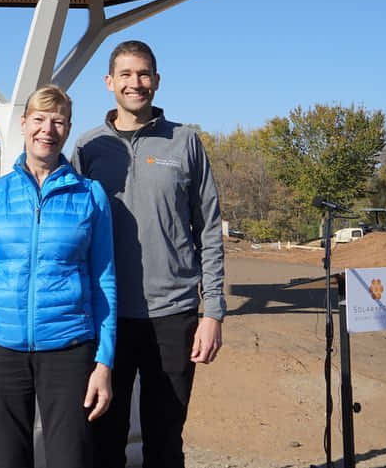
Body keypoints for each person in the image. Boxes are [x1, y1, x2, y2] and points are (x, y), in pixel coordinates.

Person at [72, 40, 224, 468]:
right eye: (125, 75)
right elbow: (73, 235)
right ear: (109, 82)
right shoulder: (88, 148)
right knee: (104, 440)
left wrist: (212, 311)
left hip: (173, 316)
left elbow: (209, 230)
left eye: (143, 74)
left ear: (156, 81)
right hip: (107, 319)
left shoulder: (185, 142)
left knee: (164, 441)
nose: (135, 83)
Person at [0, 84, 117, 468]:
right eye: (40, 119)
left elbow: (104, 280)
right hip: (0, 349)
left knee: (71, 459)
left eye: (58, 121)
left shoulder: (90, 195)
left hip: (68, 349)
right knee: (8, 459)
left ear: (67, 129)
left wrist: (105, 362)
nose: (48, 129)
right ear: (25, 123)